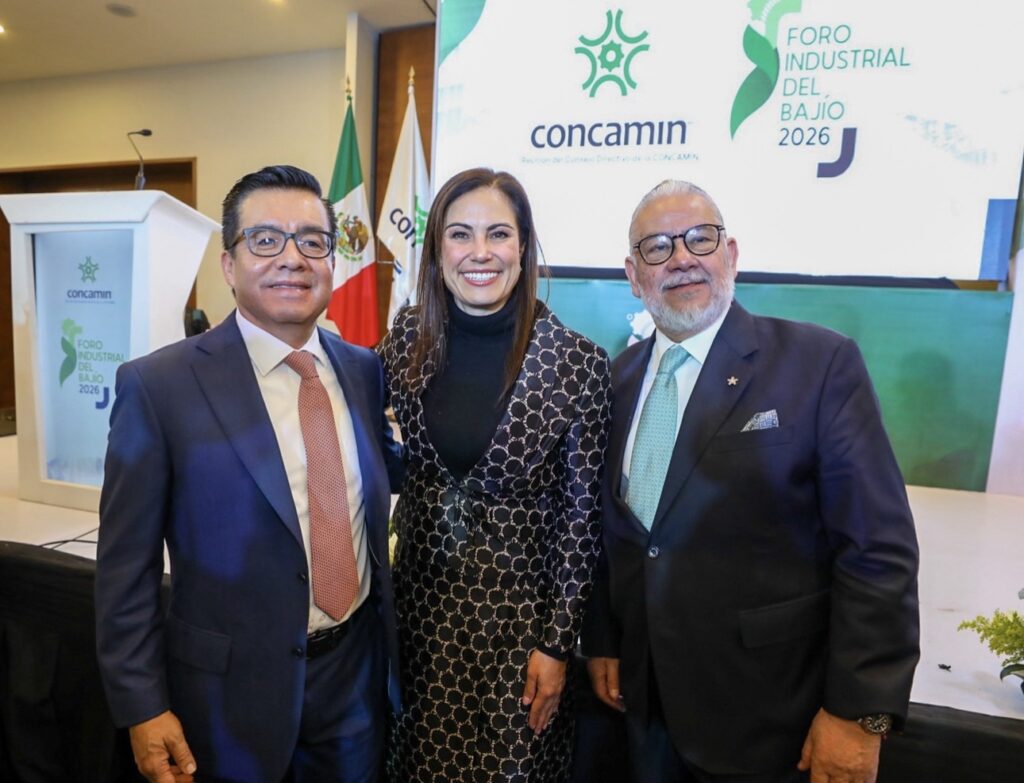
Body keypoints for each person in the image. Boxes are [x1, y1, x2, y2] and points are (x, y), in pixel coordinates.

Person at [581, 180, 920, 783]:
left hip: (771, 722)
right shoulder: (616, 380)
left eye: (700, 238)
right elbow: (614, 535)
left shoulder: (819, 364)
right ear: (634, 276)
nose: (681, 258)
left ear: (731, 254)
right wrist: (606, 639)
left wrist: (859, 714)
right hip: (644, 712)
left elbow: (877, 550)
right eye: (657, 247)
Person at [95, 165, 404, 783]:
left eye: (312, 241)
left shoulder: (364, 370)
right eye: (265, 240)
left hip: (354, 685)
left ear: (332, 261)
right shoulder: (158, 386)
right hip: (224, 702)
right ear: (229, 265)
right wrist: (142, 705)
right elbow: (125, 569)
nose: (292, 258)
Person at [376, 167, 612, 782]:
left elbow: (581, 524)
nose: (479, 252)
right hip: (418, 621)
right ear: (437, 250)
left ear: (523, 245)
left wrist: (556, 646)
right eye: (460, 234)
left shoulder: (577, 364)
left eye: (498, 234)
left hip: (519, 634)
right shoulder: (406, 339)